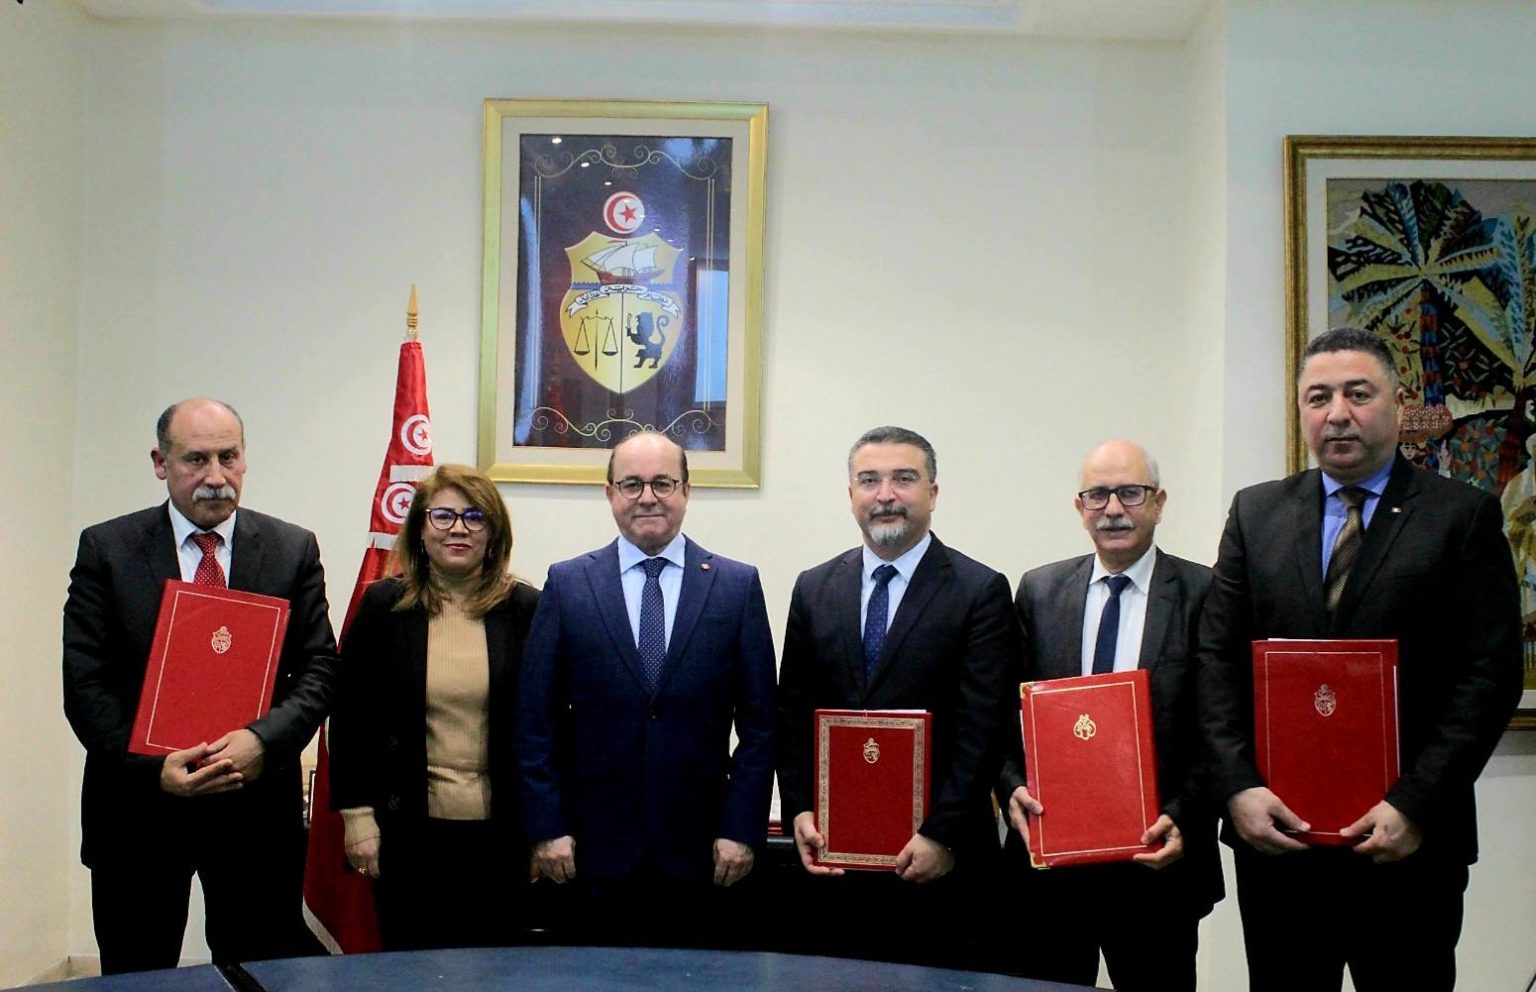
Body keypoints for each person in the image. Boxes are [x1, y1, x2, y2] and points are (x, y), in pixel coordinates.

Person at [1197, 327, 1524, 992]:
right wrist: (1237, 788)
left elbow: (1490, 676)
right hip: (1278, 843)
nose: (1337, 413)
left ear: (1398, 405)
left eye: (1358, 393)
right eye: (1318, 397)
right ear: (1301, 411)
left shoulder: (1461, 516)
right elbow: (1216, 660)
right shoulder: (1256, 513)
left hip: (1407, 846)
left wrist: (1415, 804)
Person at [62, 398, 338, 973]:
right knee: (137, 976)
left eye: (228, 457)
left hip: (255, 812)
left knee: (260, 974)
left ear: (244, 458)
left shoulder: (291, 549)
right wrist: (151, 768)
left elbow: (319, 668)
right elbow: (86, 684)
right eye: (196, 459)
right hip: (138, 812)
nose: (215, 476)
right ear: (160, 463)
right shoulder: (107, 549)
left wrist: (262, 742)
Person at [517, 431, 776, 944]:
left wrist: (741, 828)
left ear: (687, 491)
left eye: (663, 483)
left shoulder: (736, 586)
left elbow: (761, 725)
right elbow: (534, 720)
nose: (648, 497)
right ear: (609, 493)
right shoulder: (568, 584)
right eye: (631, 484)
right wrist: (547, 826)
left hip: (704, 851)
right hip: (590, 849)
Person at [775, 425, 1019, 968]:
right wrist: (799, 810)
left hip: (941, 868)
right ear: (851, 495)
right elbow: (791, 715)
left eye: (903, 479)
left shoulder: (979, 590)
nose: (885, 494)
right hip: (834, 863)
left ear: (933, 492)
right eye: (869, 480)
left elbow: (984, 728)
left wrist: (941, 836)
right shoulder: (814, 587)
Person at [996, 439, 1221, 990]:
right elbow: (1001, 711)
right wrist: (1010, 786)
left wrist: (1185, 815)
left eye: (1130, 493)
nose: (1113, 508)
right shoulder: (1039, 591)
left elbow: (1221, 725)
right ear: (1080, 507)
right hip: (1052, 869)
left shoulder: (1204, 593)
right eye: (1097, 495)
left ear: (1159, 503)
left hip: (1157, 867)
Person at [328, 464, 540, 949]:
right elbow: (351, 718)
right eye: (442, 516)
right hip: (405, 832)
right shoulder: (384, 606)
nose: (458, 528)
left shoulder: (528, 609)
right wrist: (357, 817)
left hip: (502, 835)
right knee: (412, 969)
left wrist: (543, 827)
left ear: (494, 533)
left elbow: (548, 726)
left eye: (475, 517)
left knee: (496, 972)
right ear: (420, 529)